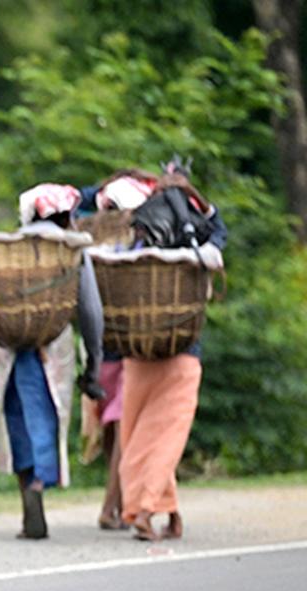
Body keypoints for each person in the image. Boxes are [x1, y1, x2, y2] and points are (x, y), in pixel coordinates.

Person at [0, 184, 104, 540]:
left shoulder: (7, 247)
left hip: (6, 348)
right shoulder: (71, 249)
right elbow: (91, 311)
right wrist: (93, 363)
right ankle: (37, 486)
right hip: (52, 350)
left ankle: (26, 501)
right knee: (46, 418)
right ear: (65, 215)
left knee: (16, 420)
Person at [114, 163, 227, 541]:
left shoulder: (133, 242)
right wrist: (192, 192)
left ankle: (147, 511)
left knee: (145, 438)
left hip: (144, 354)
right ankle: (168, 512)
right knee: (159, 437)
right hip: (176, 355)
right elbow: (219, 231)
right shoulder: (198, 248)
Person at [75, 168, 159, 530]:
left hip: (107, 344)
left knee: (117, 424)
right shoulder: (115, 236)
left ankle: (115, 500)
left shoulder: (115, 238)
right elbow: (78, 198)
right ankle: (112, 505)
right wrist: (118, 178)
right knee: (116, 425)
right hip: (117, 343)